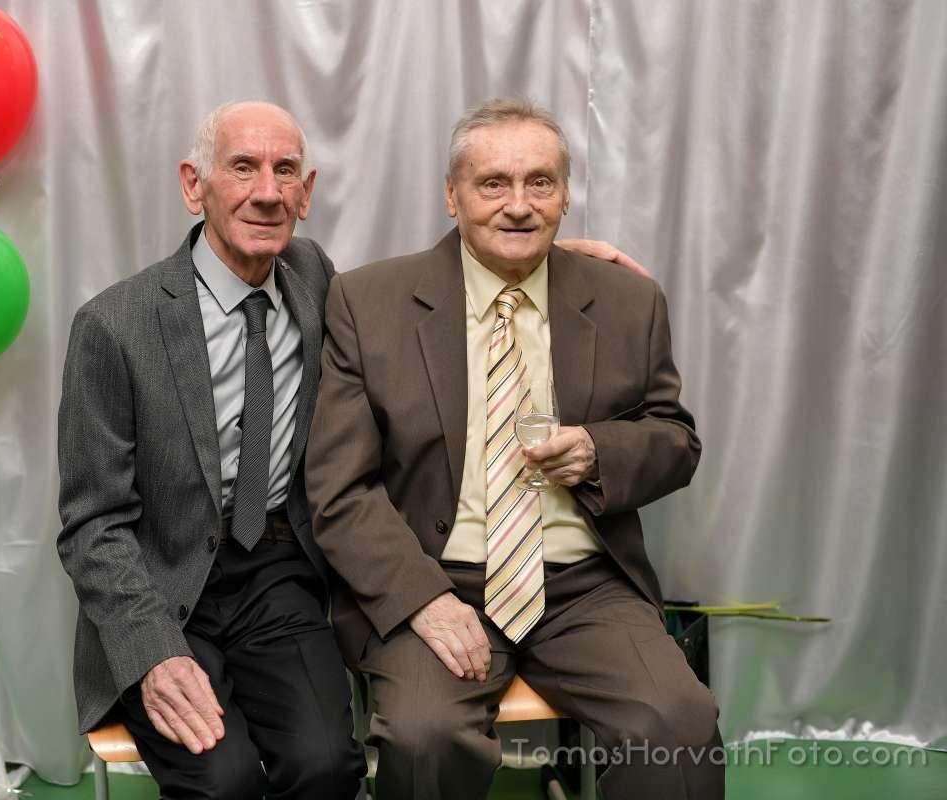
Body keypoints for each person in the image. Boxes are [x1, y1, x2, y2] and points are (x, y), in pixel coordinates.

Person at [306, 97, 724, 799]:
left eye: (540, 182)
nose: (519, 205)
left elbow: (675, 441)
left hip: (586, 585)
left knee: (677, 725)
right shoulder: (367, 303)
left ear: (566, 195)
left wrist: (599, 451)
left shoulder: (627, 300)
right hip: (436, 579)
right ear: (452, 196)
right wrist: (420, 600)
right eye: (493, 183)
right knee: (424, 737)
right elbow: (339, 487)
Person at [57, 101, 364, 799]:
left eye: (285, 170)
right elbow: (91, 525)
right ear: (194, 185)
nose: (267, 191)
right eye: (243, 167)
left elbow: (409, 306)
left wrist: (553, 265)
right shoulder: (113, 326)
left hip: (277, 571)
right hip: (160, 584)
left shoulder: (314, 277)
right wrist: (152, 653)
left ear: (307, 193)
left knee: (326, 768)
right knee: (225, 783)